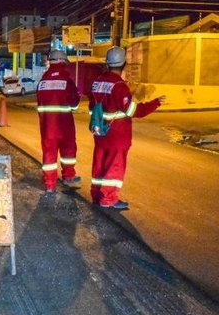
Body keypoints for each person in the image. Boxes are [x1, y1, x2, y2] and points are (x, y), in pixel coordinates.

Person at [89, 46, 165, 210]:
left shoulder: (97, 82)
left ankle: (96, 194)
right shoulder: (119, 86)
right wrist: (155, 103)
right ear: (123, 64)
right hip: (117, 134)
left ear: (107, 64)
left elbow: (92, 107)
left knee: (100, 163)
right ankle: (108, 198)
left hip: (100, 131)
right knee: (115, 166)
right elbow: (133, 111)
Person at [36, 49, 81, 192]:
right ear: (63, 62)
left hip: (47, 126)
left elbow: (40, 102)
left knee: (49, 154)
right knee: (68, 151)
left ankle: (49, 184)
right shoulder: (67, 81)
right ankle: (68, 177)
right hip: (64, 125)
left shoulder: (43, 81)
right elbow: (74, 105)